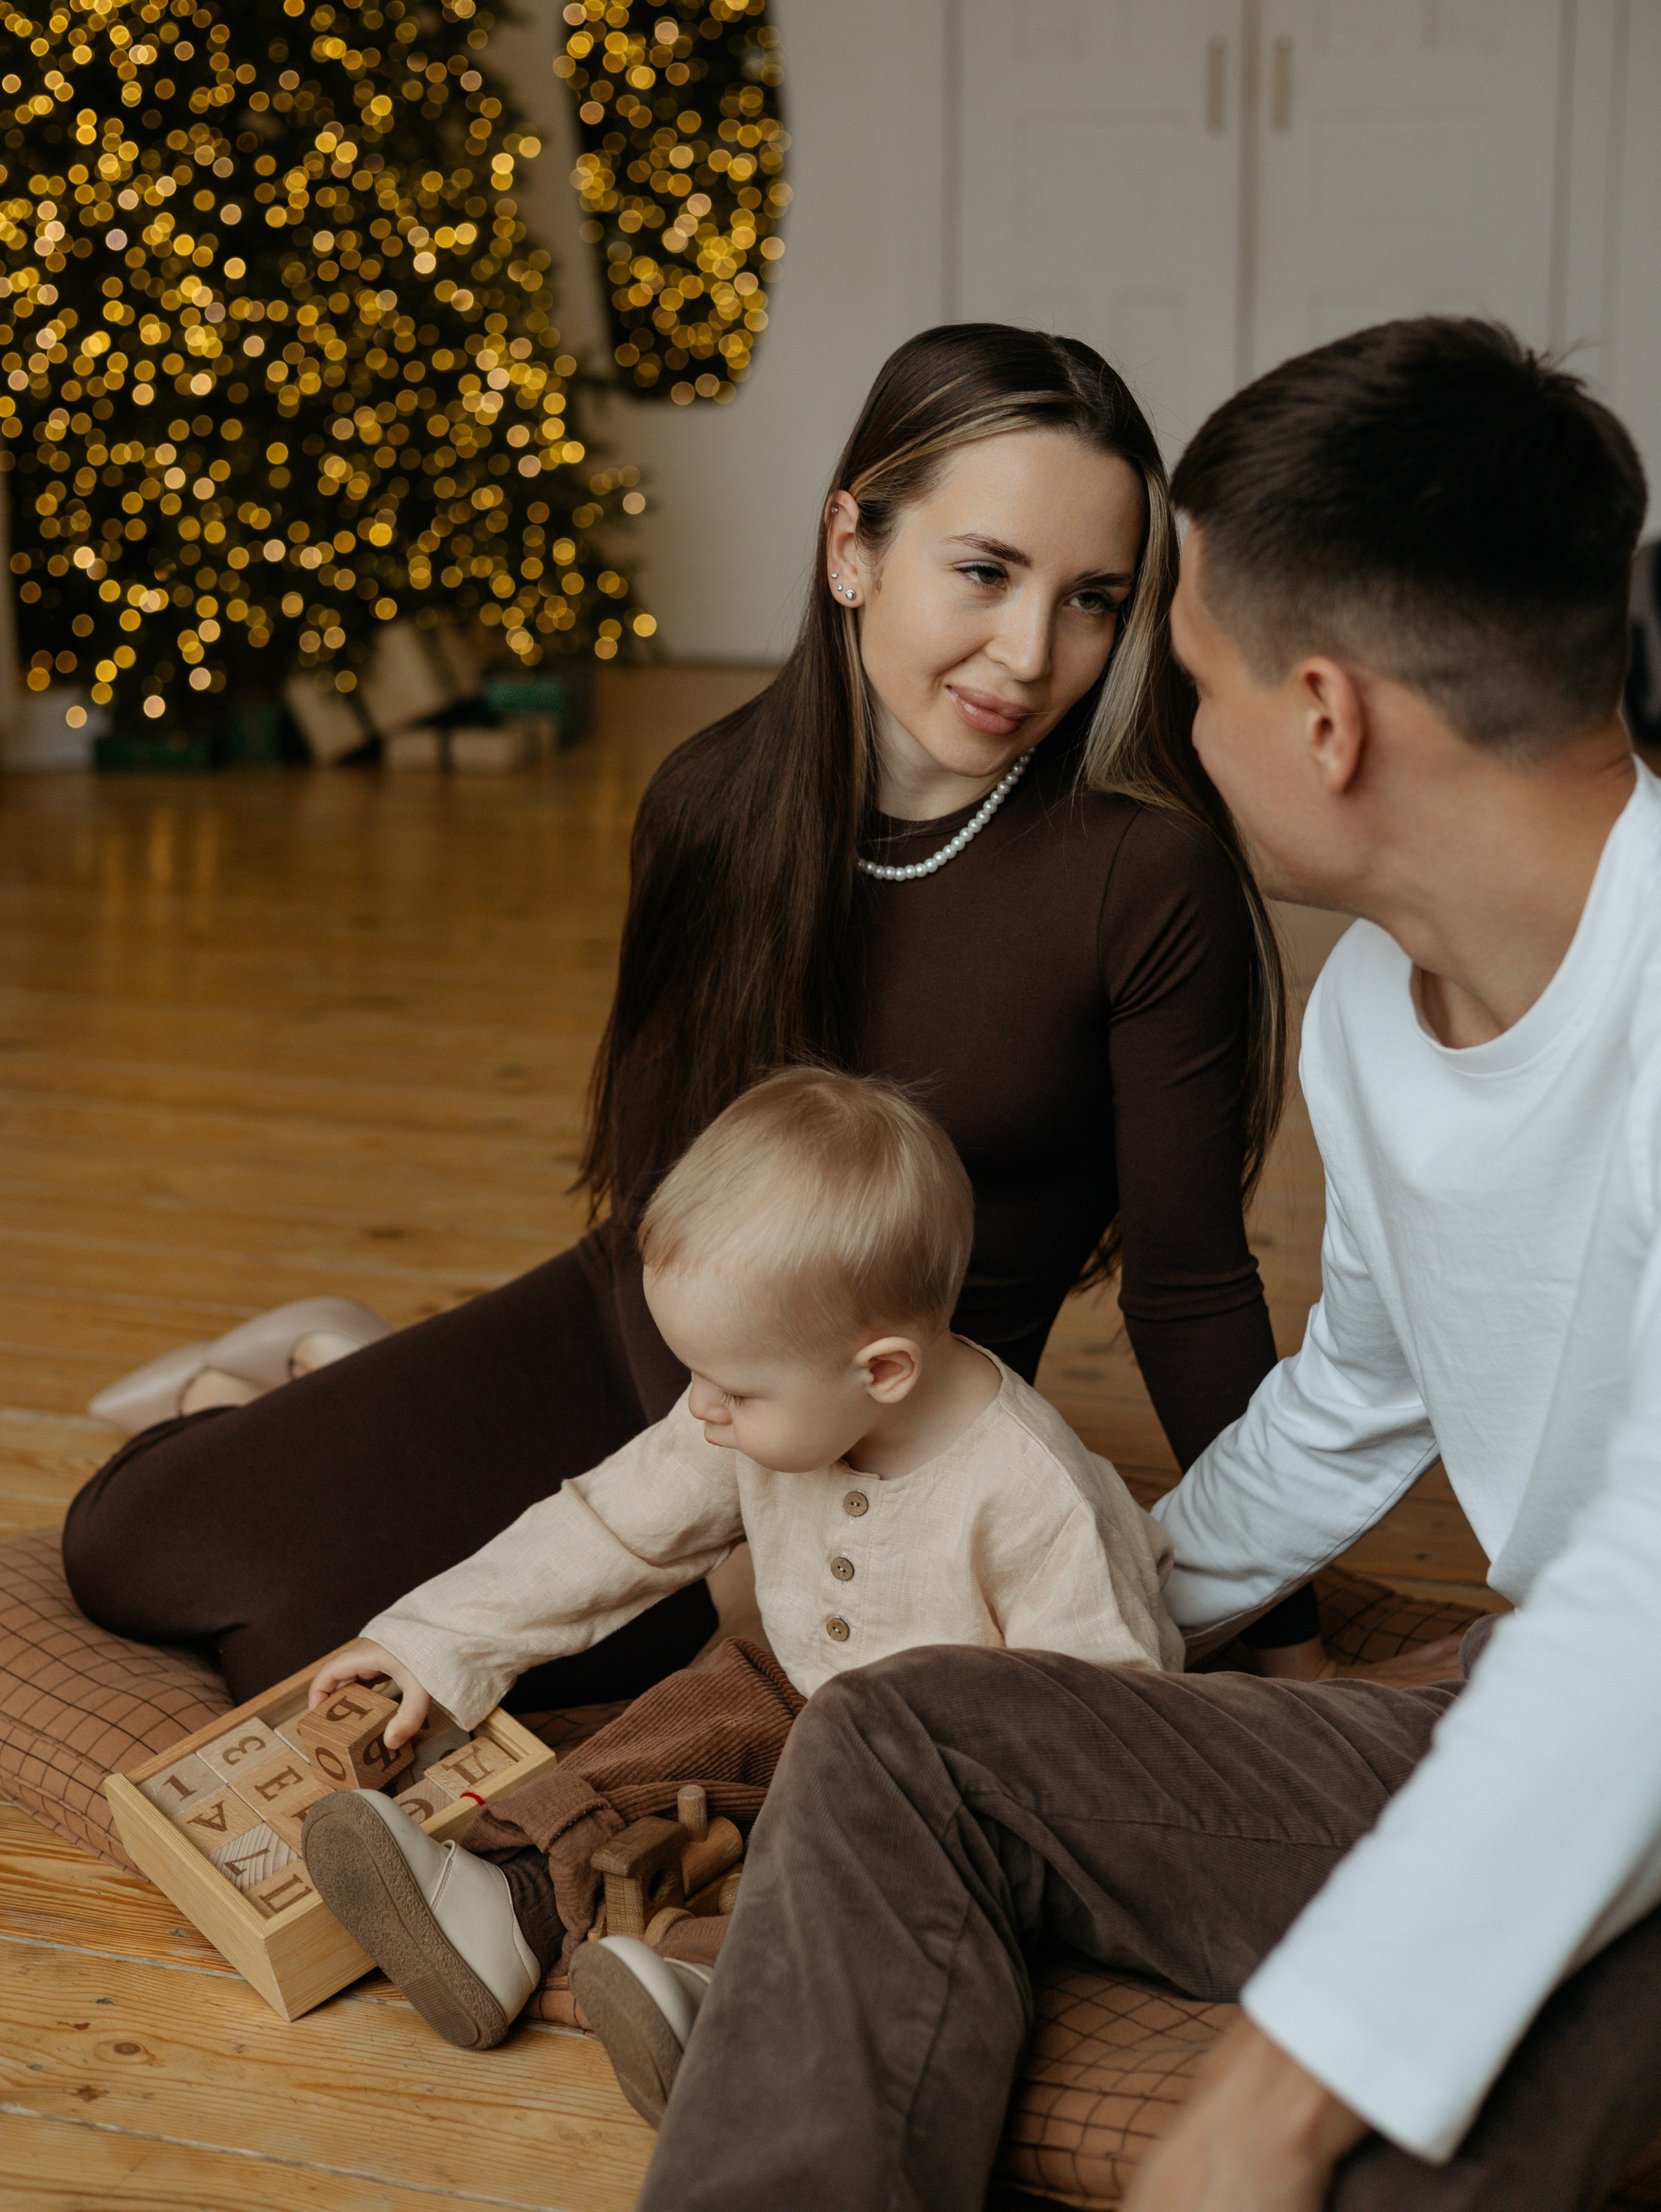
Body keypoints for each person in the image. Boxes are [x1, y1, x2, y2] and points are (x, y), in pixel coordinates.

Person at [625, 317, 1661, 2212]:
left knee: (1413, 2133)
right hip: (1540, 1704)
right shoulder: (1380, 1014)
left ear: (1326, 718)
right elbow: (1358, 1389)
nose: (1149, 716)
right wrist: (1084, 1596)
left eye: (1176, 662)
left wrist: (1261, 2112)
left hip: (1631, 1725)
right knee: (908, 1739)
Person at [63, 322, 1319, 1704]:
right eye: (982, 571)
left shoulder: (1145, 877)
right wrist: (664, 1483)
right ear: (852, 545)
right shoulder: (711, 801)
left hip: (863, 1426)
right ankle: (312, 1364)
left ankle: (329, 1373)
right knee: (132, 1549)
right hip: (650, 1338)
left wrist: (1289, 1644)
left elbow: (1191, 1288)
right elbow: (659, 1188)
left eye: (1092, 598)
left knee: (293, 1646)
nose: (1028, 652)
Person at [294, 1067, 1180, 2097]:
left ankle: (719, 1987)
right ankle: (511, 1901)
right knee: (684, 1718)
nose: (701, 1409)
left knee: (865, 1872)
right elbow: (610, 1528)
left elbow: (1114, 1721)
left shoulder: (1038, 1496)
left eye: (735, 1387)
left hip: (937, 1772)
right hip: (790, 1677)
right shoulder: (749, 1414)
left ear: (882, 1370)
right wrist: (432, 1639)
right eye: (694, 1375)